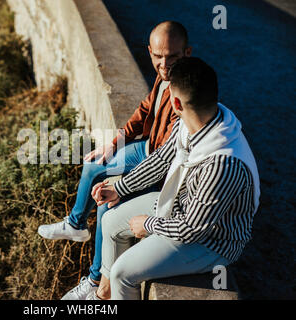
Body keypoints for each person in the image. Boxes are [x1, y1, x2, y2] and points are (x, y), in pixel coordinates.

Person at [37, 21, 192, 300]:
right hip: (147, 148)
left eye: (173, 56)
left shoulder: (185, 90)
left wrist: (122, 187)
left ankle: (96, 282)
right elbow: (145, 110)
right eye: (159, 56)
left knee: (109, 206)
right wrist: (115, 141)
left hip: (160, 169)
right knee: (94, 165)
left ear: (187, 53)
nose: (165, 63)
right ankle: (76, 225)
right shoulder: (163, 75)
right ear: (150, 52)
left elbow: (164, 160)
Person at [91, 57, 260, 300]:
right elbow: (162, 159)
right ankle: (104, 294)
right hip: (180, 204)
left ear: (176, 102)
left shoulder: (222, 165)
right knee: (110, 221)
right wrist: (120, 187)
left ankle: (114, 287)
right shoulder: (195, 121)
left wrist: (148, 224)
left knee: (122, 273)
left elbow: (192, 229)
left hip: (212, 241)